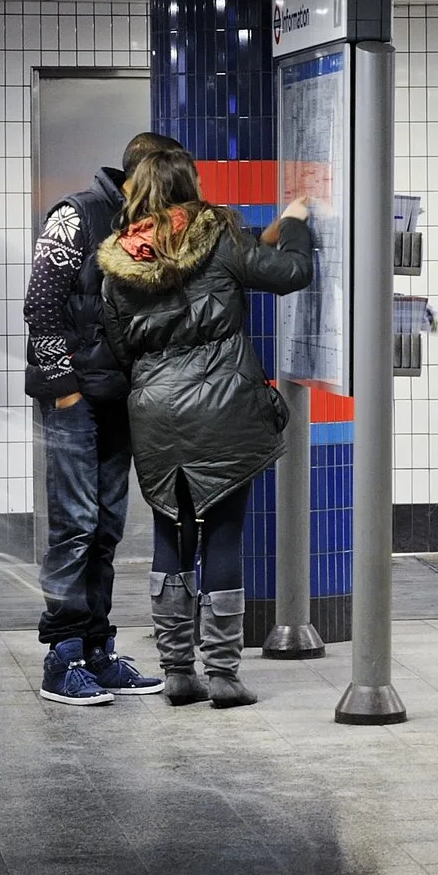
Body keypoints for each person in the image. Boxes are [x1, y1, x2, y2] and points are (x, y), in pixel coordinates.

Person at [98, 147, 313, 709]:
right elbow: (291, 273)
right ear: (188, 185)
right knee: (222, 532)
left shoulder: (121, 259)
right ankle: (222, 674)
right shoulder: (216, 234)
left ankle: (176, 671)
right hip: (222, 406)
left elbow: (121, 347)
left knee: (171, 533)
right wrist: (294, 222)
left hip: (155, 412)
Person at [23, 132, 182, 706]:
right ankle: (60, 658)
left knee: (107, 530)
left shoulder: (151, 226)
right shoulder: (74, 215)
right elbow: (40, 304)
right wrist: (64, 389)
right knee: (75, 527)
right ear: (139, 176)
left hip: (120, 397)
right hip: (75, 398)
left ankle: (96, 648)